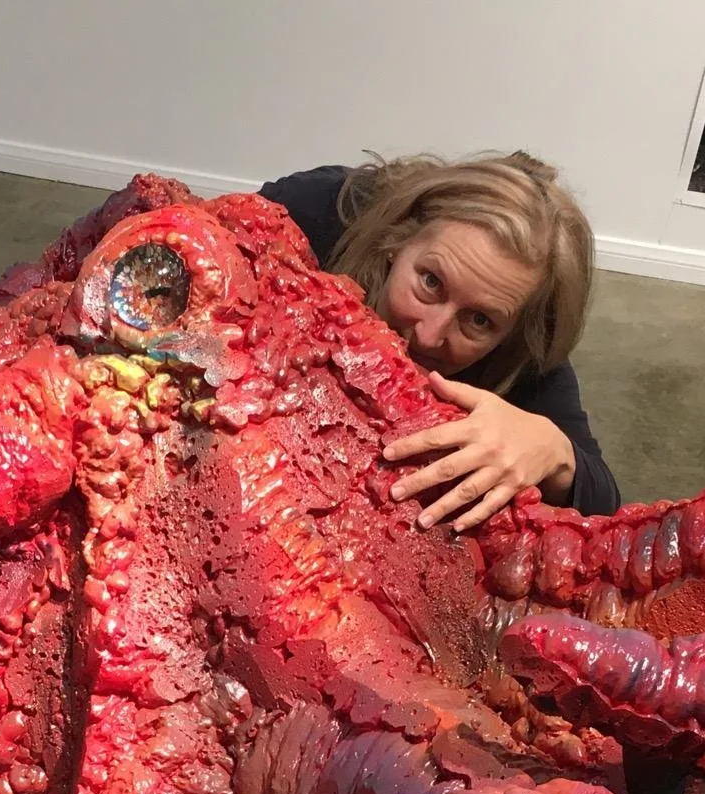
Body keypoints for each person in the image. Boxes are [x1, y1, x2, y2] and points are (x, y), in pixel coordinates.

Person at [257, 151, 620, 527]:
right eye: (431, 283)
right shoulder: (315, 212)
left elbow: (603, 502)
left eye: (479, 320)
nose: (429, 336)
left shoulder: (527, 357)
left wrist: (554, 450)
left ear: (513, 334)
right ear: (397, 238)